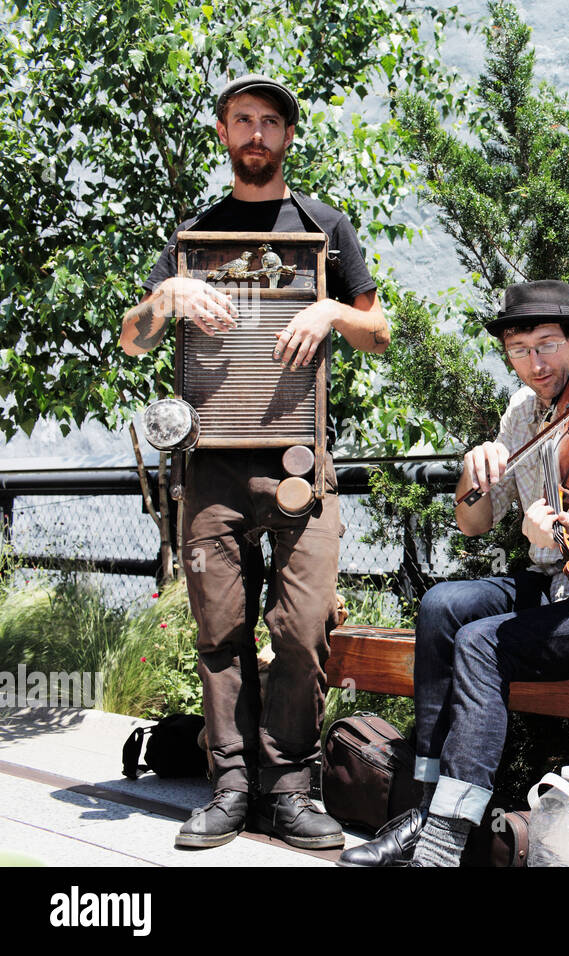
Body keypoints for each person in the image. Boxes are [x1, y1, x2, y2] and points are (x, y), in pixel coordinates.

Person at [119, 74, 389, 850]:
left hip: (302, 460)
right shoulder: (192, 235)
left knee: (302, 630)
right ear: (222, 132)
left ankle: (292, 787)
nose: (258, 134)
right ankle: (232, 785)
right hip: (211, 464)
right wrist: (168, 294)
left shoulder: (325, 225)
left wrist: (333, 309)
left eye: (271, 122)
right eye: (244, 120)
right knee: (220, 632)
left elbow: (383, 330)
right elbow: (133, 338)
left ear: (288, 137)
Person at [339, 279, 569, 867]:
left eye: (546, 345)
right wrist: (475, 471)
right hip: (555, 585)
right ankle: (425, 803)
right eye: (519, 351)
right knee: (442, 606)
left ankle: (445, 839)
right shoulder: (524, 411)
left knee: (481, 643)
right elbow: (474, 522)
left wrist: (562, 533)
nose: (534, 363)